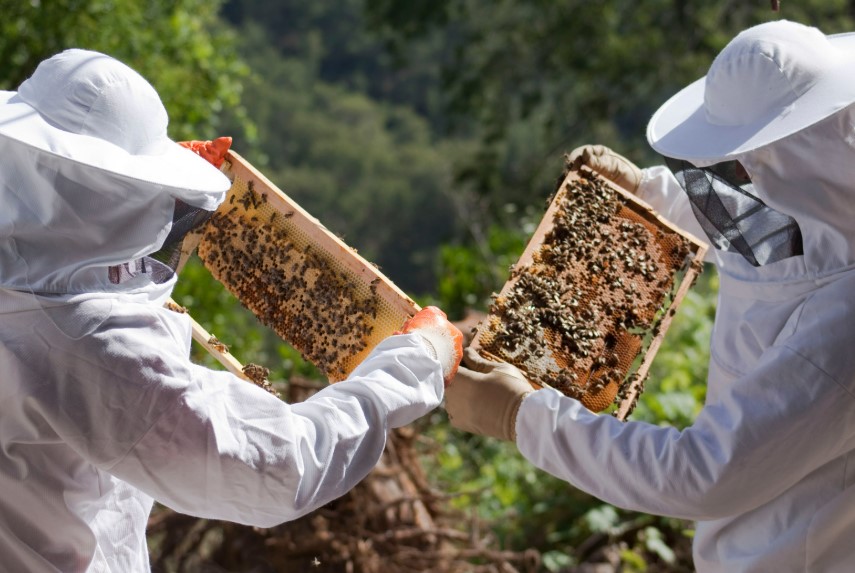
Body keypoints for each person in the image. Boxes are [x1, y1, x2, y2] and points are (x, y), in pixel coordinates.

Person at [0, 48, 463, 572]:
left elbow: (80, 259)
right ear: (122, 194)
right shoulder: (95, 344)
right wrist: (415, 362)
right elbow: (279, 466)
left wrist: (153, 193)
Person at [446, 19, 855, 572]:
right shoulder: (820, 211)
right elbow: (757, 224)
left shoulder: (842, 328)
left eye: (745, 163)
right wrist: (647, 193)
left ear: (797, 157)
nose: (732, 178)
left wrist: (523, 415)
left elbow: (702, 472)